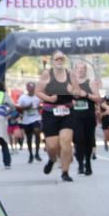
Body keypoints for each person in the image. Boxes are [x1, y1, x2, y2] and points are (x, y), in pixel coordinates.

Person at [36, 50, 77, 182]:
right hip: (50, 113)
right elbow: (38, 91)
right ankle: (52, 159)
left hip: (67, 112)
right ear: (52, 61)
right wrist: (49, 98)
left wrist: (72, 90)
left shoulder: (70, 74)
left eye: (61, 59)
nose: (59, 61)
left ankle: (65, 172)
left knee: (66, 141)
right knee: (52, 146)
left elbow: (77, 93)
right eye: (57, 59)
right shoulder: (47, 74)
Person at [71, 59, 101, 176]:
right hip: (75, 117)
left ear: (85, 71)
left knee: (88, 140)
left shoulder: (90, 83)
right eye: (78, 68)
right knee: (79, 140)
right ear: (75, 70)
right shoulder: (70, 84)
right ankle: (80, 164)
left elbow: (98, 98)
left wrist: (86, 95)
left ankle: (88, 163)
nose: (80, 70)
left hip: (89, 116)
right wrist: (71, 100)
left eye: (82, 68)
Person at [17, 82, 42, 163]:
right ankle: (31, 154)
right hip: (26, 120)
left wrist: (40, 107)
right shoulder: (23, 97)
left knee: (37, 132)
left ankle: (37, 153)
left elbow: (42, 104)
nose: (31, 90)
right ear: (27, 89)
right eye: (30, 88)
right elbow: (18, 107)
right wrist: (26, 108)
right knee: (29, 137)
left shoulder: (38, 96)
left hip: (36, 118)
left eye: (33, 88)